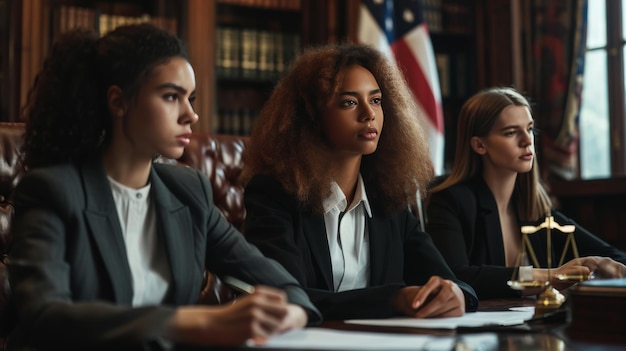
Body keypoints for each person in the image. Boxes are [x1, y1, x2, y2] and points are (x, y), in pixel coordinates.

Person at [7, 23, 321, 351]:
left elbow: (285, 285)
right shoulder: (53, 191)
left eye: (191, 98)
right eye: (171, 96)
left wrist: (292, 314)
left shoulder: (187, 190)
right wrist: (196, 323)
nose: (191, 115)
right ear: (118, 102)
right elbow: (44, 316)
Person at [239, 43, 479, 321]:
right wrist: (395, 299)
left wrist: (457, 293)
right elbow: (288, 299)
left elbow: (448, 280)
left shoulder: (388, 198)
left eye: (376, 100)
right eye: (349, 102)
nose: (369, 114)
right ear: (311, 117)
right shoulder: (273, 195)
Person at [426, 87, 626, 300]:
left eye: (529, 129)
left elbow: (615, 257)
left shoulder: (533, 207)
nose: (527, 141)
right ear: (479, 145)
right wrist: (551, 276)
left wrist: (600, 265)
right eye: (511, 132)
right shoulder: (451, 200)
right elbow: (456, 276)